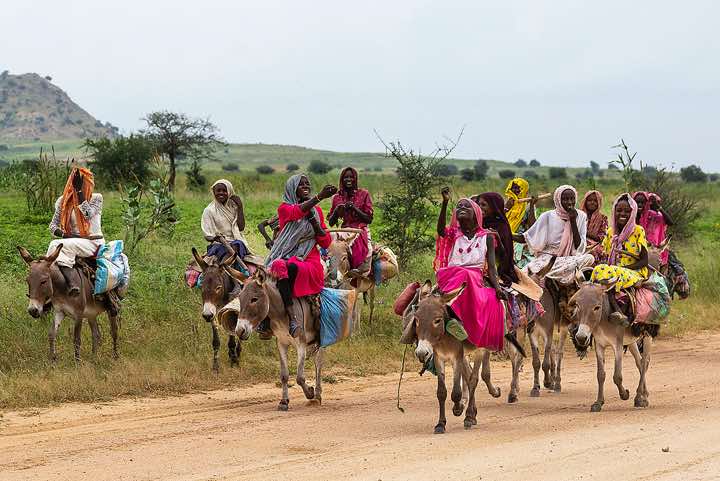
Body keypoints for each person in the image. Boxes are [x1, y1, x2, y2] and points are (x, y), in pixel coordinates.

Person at [433, 188, 506, 352]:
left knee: (493, 301)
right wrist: (445, 203)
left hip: (475, 277)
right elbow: (440, 231)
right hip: (451, 275)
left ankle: (465, 327)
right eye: (459, 207)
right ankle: (447, 319)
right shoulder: (454, 233)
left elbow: (492, 267)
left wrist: (498, 288)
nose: (461, 209)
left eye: (466, 207)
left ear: (476, 214)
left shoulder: (487, 236)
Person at [266, 174, 337, 338]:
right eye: (301, 184)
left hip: (309, 259)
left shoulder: (316, 211)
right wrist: (319, 197)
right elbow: (296, 212)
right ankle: (290, 318)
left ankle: (294, 317)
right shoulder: (284, 208)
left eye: (307, 184)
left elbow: (325, 242)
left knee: (290, 266)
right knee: (277, 265)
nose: (306, 186)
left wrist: (314, 222)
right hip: (287, 254)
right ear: (292, 189)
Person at [516, 185, 595, 285]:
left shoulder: (581, 216)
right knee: (533, 269)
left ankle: (547, 273)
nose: (570, 202)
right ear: (558, 200)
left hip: (569, 259)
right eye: (565, 199)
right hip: (548, 257)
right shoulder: (547, 216)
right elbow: (530, 236)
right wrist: (507, 234)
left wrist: (573, 221)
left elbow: (579, 247)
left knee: (589, 258)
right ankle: (546, 272)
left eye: (572, 199)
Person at [591, 194, 650, 324]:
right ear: (614, 211)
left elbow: (644, 261)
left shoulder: (638, 231)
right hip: (614, 270)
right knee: (596, 270)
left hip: (635, 272)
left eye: (627, 211)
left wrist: (623, 269)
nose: (622, 214)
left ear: (633, 213)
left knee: (611, 273)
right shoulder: (611, 232)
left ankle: (617, 310)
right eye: (619, 210)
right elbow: (604, 254)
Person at [48, 167, 105, 296]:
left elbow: (87, 214)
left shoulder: (96, 198)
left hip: (93, 242)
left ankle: (71, 283)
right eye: (79, 183)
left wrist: (79, 192)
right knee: (56, 245)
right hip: (72, 241)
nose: (86, 185)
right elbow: (52, 226)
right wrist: (66, 235)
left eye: (86, 183)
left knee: (55, 245)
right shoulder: (62, 201)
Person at [328, 167, 374, 278]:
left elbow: (369, 219)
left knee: (366, 250)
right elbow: (331, 223)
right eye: (346, 177)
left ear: (355, 179)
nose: (348, 179)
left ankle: (358, 271)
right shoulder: (337, 198)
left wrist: (354, 209)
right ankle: (332, 272)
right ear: (342, 180)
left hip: (360, 229)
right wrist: (336, 212)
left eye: (351, 177)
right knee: (330, 245)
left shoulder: (364, 194)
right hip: (344, 229)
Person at [201, 179, 250, 262]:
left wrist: (240, 207)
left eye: (224, 190)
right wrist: (216, 238)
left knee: (237, 244)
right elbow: (207, 236)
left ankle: (225, 267)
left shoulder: (234, 208)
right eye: (218, 191)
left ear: (230, 192)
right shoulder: (209, 210)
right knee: (229, 248)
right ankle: (224, 267)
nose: (221, 193)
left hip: (237, 243)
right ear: (214, 192)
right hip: (218, 245)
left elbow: (241, 228)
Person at [504, 177, 538, 268]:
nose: (515, 190)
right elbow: (498, 220)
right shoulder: (507, 203)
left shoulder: (527, 206)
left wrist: (531, 206)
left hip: (519, 239)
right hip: (503, 236)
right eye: (513, 188)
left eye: (519, 188)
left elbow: (533, 227)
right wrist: (506, 208)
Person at [634, 192, 673, 266]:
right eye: (637, 202)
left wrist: (659, 208)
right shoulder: (635, 215)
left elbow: (670, 222)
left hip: (655, 248)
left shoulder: (657, 216)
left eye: (643, 203)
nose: (640, 205)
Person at [580, 190, 609, 263]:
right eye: (589, 200)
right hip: (579, 241)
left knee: (597, 252)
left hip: (595, 245)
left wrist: (584, 232)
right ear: (585, 202)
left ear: (599, 203)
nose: (592, 202)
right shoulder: (578, 215)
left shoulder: (603, 218)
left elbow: (602, 237)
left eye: (595, 201)